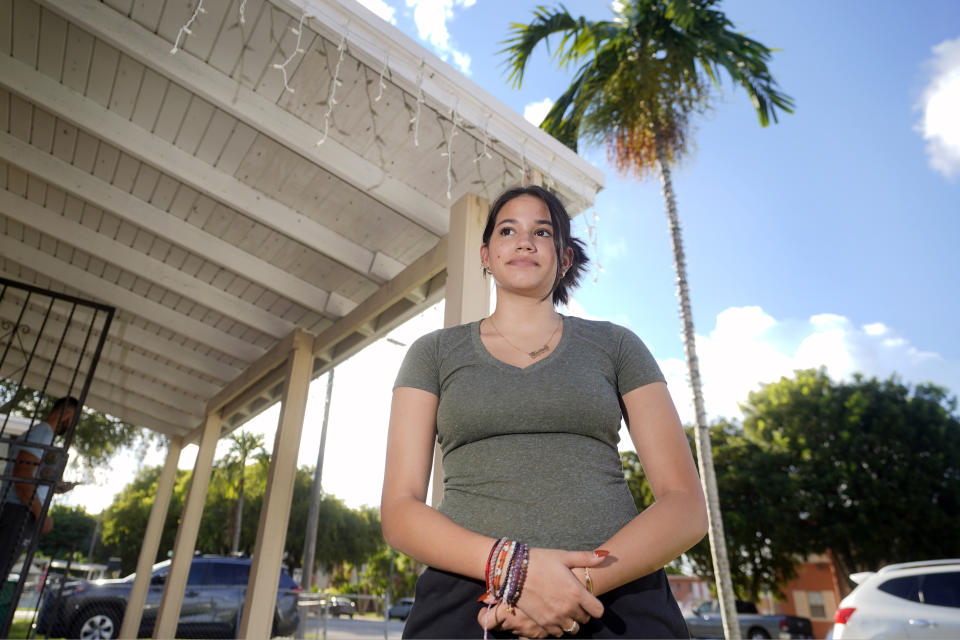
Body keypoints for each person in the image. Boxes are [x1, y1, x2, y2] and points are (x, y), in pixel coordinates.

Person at [381, 185, 708, 639]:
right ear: (486, 254)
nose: (524, 240)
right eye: (507, 229)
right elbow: (399, 509)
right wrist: (513, 572)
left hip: (616, 599)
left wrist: (570, 589)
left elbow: (686, 505)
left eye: (542, 231)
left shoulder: (617, 346)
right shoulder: (432, 353)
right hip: (471, 601)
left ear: (565, 257)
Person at [0, 396, 78, 582]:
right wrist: (42, 515)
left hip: (17, 510)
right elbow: (23, 477)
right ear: (67, 414)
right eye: (71, 421)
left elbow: (29, 475)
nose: (69, 427)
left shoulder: (41, 434)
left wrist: (55, 487)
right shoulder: (43, 433)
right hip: (18, 511)